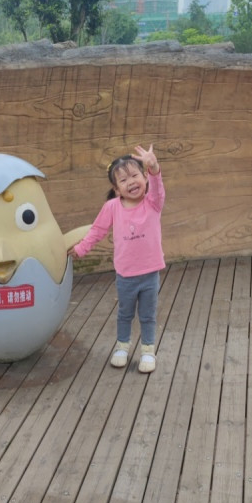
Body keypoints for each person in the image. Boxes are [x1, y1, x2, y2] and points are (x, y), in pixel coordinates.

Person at [70, 144, 165, 373]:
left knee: (148, 315)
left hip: (150, 273)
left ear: (145, 177)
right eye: (123, 180)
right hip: (125, 275)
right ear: (116, 188)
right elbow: (97, 231)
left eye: (135, 175)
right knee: (125, 313)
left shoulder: (153, 202)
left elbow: (157, 188)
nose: (131, 182)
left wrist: (154, 167)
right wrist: (81, 249)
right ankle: (122, 346)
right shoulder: (112, 207)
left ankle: (148, 351)